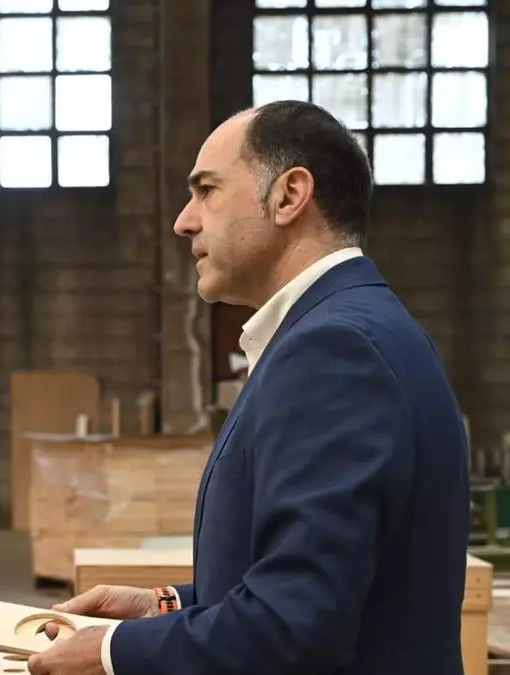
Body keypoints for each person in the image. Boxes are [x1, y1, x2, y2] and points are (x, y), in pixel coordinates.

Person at [29, 100, 470, 674]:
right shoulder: (360, 328)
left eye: (207, 191)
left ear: (289, 196)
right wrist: (165, 607)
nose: (184, 221)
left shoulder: (334, 350)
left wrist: (112, 653)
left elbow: (295, 627)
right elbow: (333, 588)